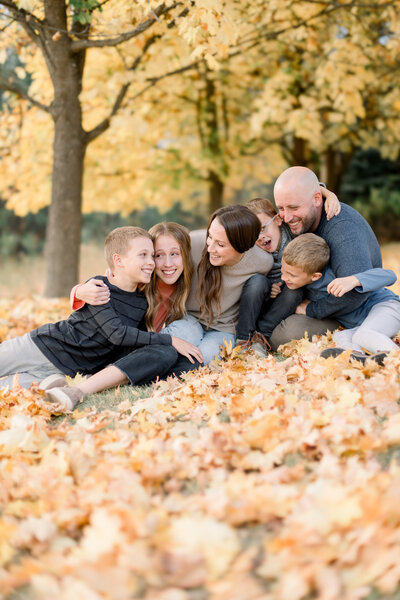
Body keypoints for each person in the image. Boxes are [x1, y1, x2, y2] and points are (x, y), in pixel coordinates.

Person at [0, 226, 202, 400]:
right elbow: (117, 333)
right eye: (144, 255)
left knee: (13, 388)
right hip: (42, 346)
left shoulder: (141, 302)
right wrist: (170, 341)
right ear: (118, 260)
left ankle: (51, 385)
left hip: (65, 370)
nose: (152, 262)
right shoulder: (99, 287)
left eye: (151, 255)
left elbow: (133, 345)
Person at [269, 166, 383, 350]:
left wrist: (312, 310)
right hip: (312, 297)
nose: (287, 217)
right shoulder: (303, 218)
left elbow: (355, 294)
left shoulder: (343, 228)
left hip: (350, 311)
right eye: (281, 208)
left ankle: (354, 338)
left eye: (293, 207)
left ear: (316, 199)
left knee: (284, 335)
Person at [159, 205, 273, 363]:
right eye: (210, 237)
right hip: (190, 318)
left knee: (201, 360)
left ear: (242, 246)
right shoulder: (193, 243)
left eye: (220, 244)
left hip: (224, 329)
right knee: (169, 344)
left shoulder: (262, 262)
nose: (210, 248)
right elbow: (156, 255)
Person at [235, 187, 341, 351]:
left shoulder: (294, 235)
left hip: (285, 301)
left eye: (262, 228)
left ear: (278, 219)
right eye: (253, 233)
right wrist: (269, 288)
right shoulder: (252, 249)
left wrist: (329, 195)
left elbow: (305, 191)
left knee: (295, 292)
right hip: (260, 299)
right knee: (257, 282)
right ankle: (243, 339)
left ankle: (262, 337)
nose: (259, 237)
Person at [280, 233, 400, 362]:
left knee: (362, 336)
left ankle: (395, 358)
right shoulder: (302, 282)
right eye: (282, 270)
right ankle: (358, 359)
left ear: (315, 276)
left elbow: (390, 276)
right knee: (340, 337)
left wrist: (354, 280)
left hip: (387, 307)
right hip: (364, 325)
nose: (283, 277)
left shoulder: (335, 277)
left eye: (291, 275)